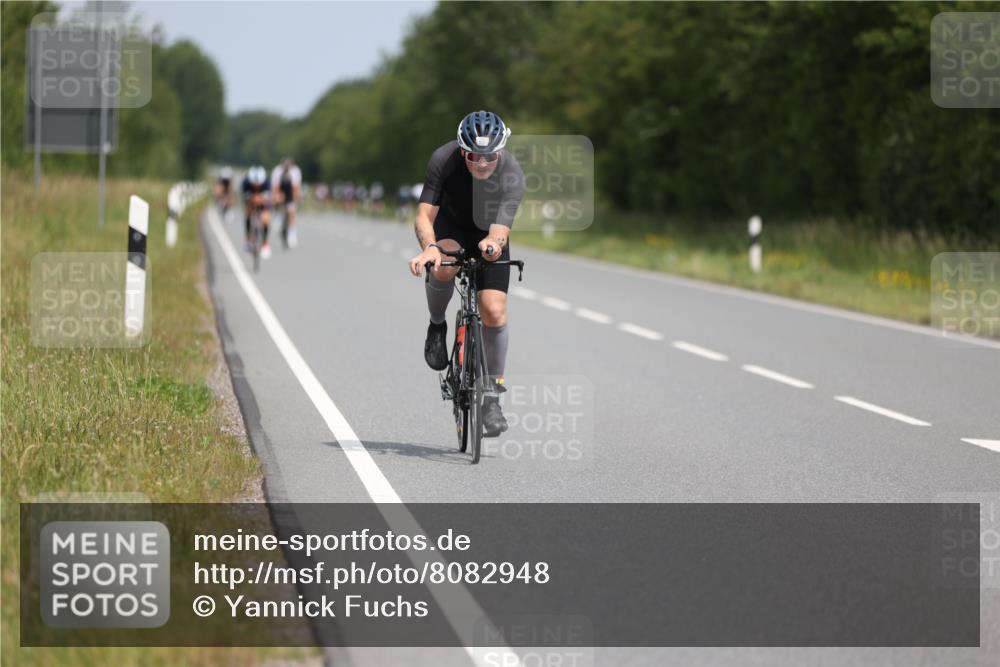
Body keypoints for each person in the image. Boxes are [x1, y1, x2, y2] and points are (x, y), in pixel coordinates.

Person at [408, 111, 525, 436]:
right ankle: (436, 325)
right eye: (474, 156)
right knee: (444, 265)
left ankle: (491, 397)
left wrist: (493, 242)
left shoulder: (512, 172)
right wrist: (430, 247)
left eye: (490, 156)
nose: (482, 163)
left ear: (500, 151)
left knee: (494, 310)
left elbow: (501, 230)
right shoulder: (443, 160)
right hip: (451, 227)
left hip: (490, 234)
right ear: (462, 151)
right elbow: (423, 215)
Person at [242, 165, 273, 259]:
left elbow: (269, 198)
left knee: (266, 218)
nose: (256, 186)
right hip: (250, 199)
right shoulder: (246, 182)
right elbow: (245, 197)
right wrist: (253, 199)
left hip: (264, 201)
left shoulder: (267, 182)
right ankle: (248, 239)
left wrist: (261, 199)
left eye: (258, 184)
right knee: (248, 212)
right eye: (254, 184)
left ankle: (265, 243)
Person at [271, 158, 302, 248]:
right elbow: (275, 187)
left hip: (290, 191)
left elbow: (296, 188)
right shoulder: (277, 171)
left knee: (291, 211)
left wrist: (296, 199)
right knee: (277, 200)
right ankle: (278, 216)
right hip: (279, 189)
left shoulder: (296, 172)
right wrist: (276, 198)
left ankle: (292, 233)